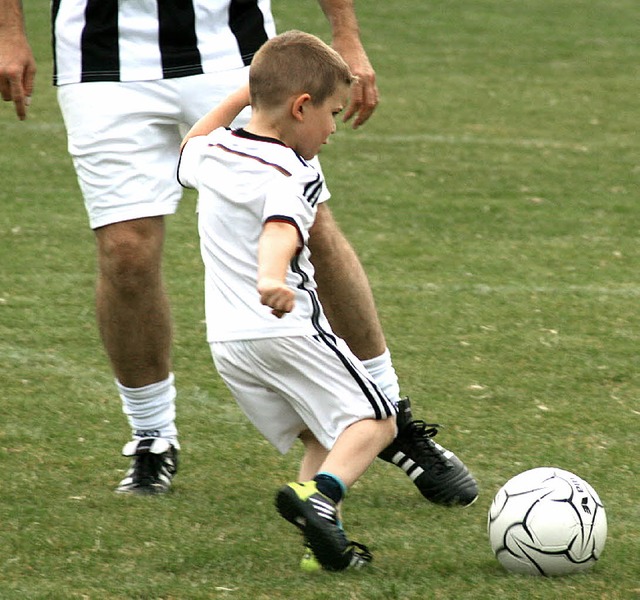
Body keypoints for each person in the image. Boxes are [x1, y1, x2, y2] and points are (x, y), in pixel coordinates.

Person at [0, 0, 477, 506]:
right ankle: (152, 436)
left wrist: (346, 32)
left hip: (233, 46)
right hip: (100, 59)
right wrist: (9, 28)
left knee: (313, 226)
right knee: (126, 253)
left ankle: (389, 411)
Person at [178, 30, 398, 571]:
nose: (331, 130)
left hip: (228, 343)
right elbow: (280, 227)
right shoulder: (292, 170)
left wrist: (239, 97)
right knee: (378, 419)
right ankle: (321, 497)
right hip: (286, 327)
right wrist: (272, 277)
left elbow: (188, 145)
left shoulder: (215, 151)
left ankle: (325, 552)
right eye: (332, 114)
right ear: (302, 107)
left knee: (322, 430)